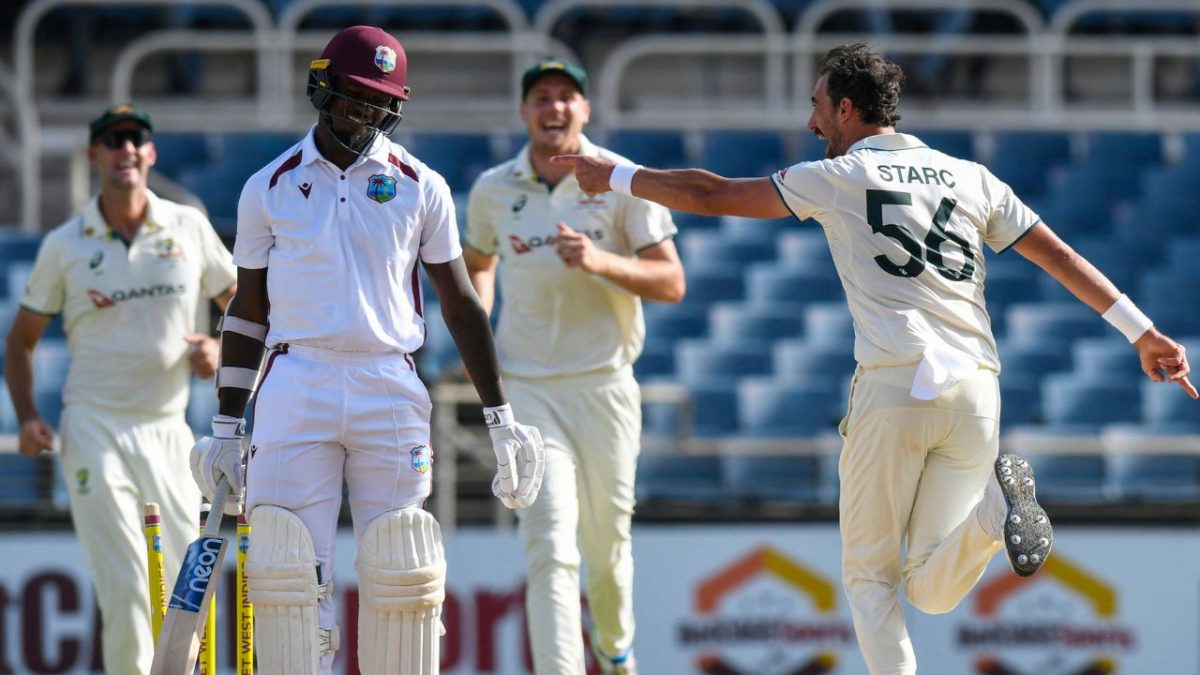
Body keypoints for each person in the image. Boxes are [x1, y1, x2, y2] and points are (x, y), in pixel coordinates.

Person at [554, 42, 1197, 675]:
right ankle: (995, 516)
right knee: (930, 590)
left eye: (817, 108)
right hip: (977, 391)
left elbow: (712, 194)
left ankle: (991, 522)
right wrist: (1142, 332)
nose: (810, 123)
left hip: (896, 384)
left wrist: (611, 174)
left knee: (869, 578)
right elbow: (1059, 256)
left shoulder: (839, 177)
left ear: (846, 107)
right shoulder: (972, 177)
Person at [187, 26, 545, 675]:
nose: (364, 111)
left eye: (379, 101)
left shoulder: (420, 184)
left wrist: (501, 417)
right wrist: (224, 426)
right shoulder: (268, 186)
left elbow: (461, 304)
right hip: (297, 380)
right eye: (353, 95)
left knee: (401, 569)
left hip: (390, 380)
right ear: (321, 86)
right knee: (287, 572)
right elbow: (248, 312)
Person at [464, 58, 685, 675]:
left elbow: (671, 282)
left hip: (606, 387)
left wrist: (597, 261)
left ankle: (616, 654)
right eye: (541, 96)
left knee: (607, 550)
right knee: (549, 545)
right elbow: (479, 263)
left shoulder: (617, 180)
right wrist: (477, 326)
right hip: (528, 391)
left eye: (566, 97)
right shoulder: (492, 189)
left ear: (585, 110)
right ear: (524, 112)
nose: (554, 107)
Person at [5, 103, 237, 675]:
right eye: (112, 139)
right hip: (94, 426)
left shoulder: (188, 226)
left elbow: (246, 313)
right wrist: (30, 415)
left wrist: (223, 351)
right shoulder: (66, 243)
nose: (125, 148)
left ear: (150, 153)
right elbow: (20, 341)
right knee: (129, 585)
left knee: (189, 589)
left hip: (168, 430)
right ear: (94, 156)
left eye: (136, 138)